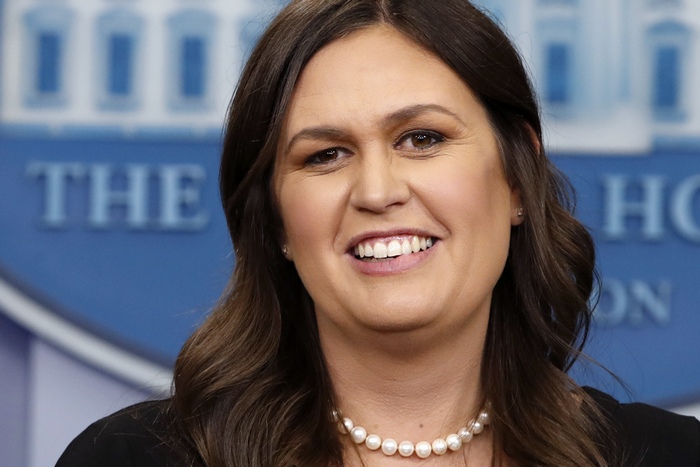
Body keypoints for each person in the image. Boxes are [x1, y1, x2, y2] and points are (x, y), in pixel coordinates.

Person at [57, 0, 700, 466]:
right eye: (326, 155)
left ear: (515, 179)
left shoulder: (670, 456)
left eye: (422, 138)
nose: (376, 190)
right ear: (277, 221)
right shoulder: (133, 457)